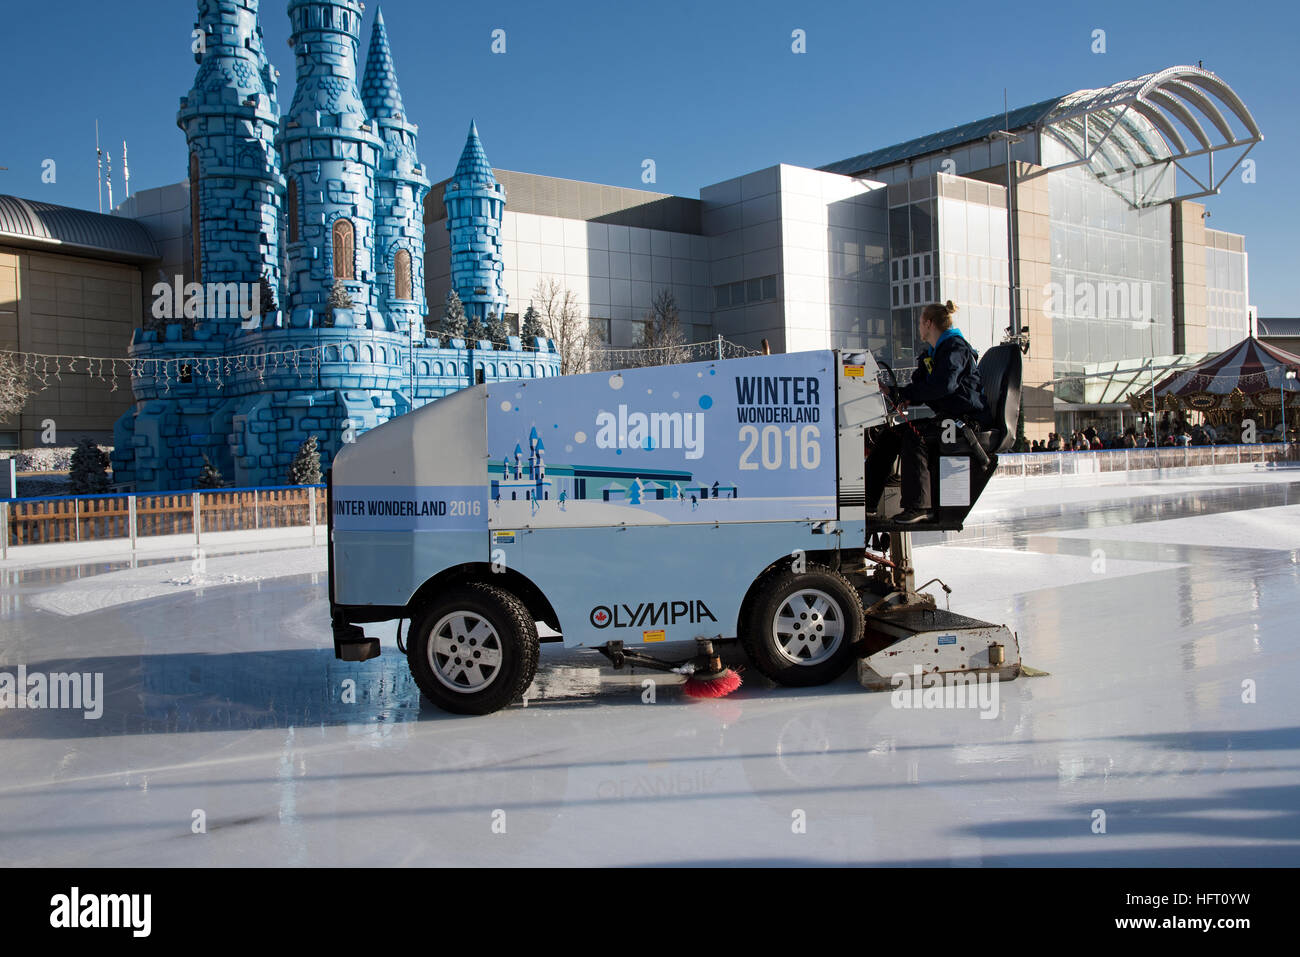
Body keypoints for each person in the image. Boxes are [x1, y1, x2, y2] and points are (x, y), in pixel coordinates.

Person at [864, 301, 990, 524]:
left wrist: (907, 394)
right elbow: (922, 387)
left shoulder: (955, 348)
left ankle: (919, 507)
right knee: (890, 435)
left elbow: (945, 385)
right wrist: (898, 393)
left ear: (929, 323)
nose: (918, 328)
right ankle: (867, 503)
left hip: (966, 421)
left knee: (916, 436)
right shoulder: (933, 354)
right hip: (947, 419)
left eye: (920, 323)